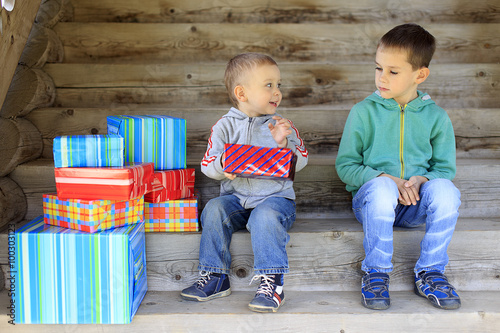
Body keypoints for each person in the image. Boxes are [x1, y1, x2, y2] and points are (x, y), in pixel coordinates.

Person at [335, 23, 461, 311]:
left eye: (393, 71)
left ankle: (431, 272)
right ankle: (376, 273)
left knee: (447, 191)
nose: (382, 77)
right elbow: (346, 166)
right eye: (379, 68)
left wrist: (421, 180)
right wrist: (385, 178)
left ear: (420, 75)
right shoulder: (363, 112)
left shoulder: (437, 117)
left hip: (416, 204)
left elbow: (444, 168)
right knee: (380, 188)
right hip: (373, 202)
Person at [180, 52, 308, 313]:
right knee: (214, 208)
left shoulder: (281, 125)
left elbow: (302, 160)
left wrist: (283, 144)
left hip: (276, 201)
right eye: (268, 85)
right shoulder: (224, 127)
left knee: (264, 216)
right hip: (237, 200)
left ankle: (272, 282)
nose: (277, 92)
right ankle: (215, 276)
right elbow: (208, 164)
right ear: (242, 93)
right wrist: (223, 164)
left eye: (278, 85)